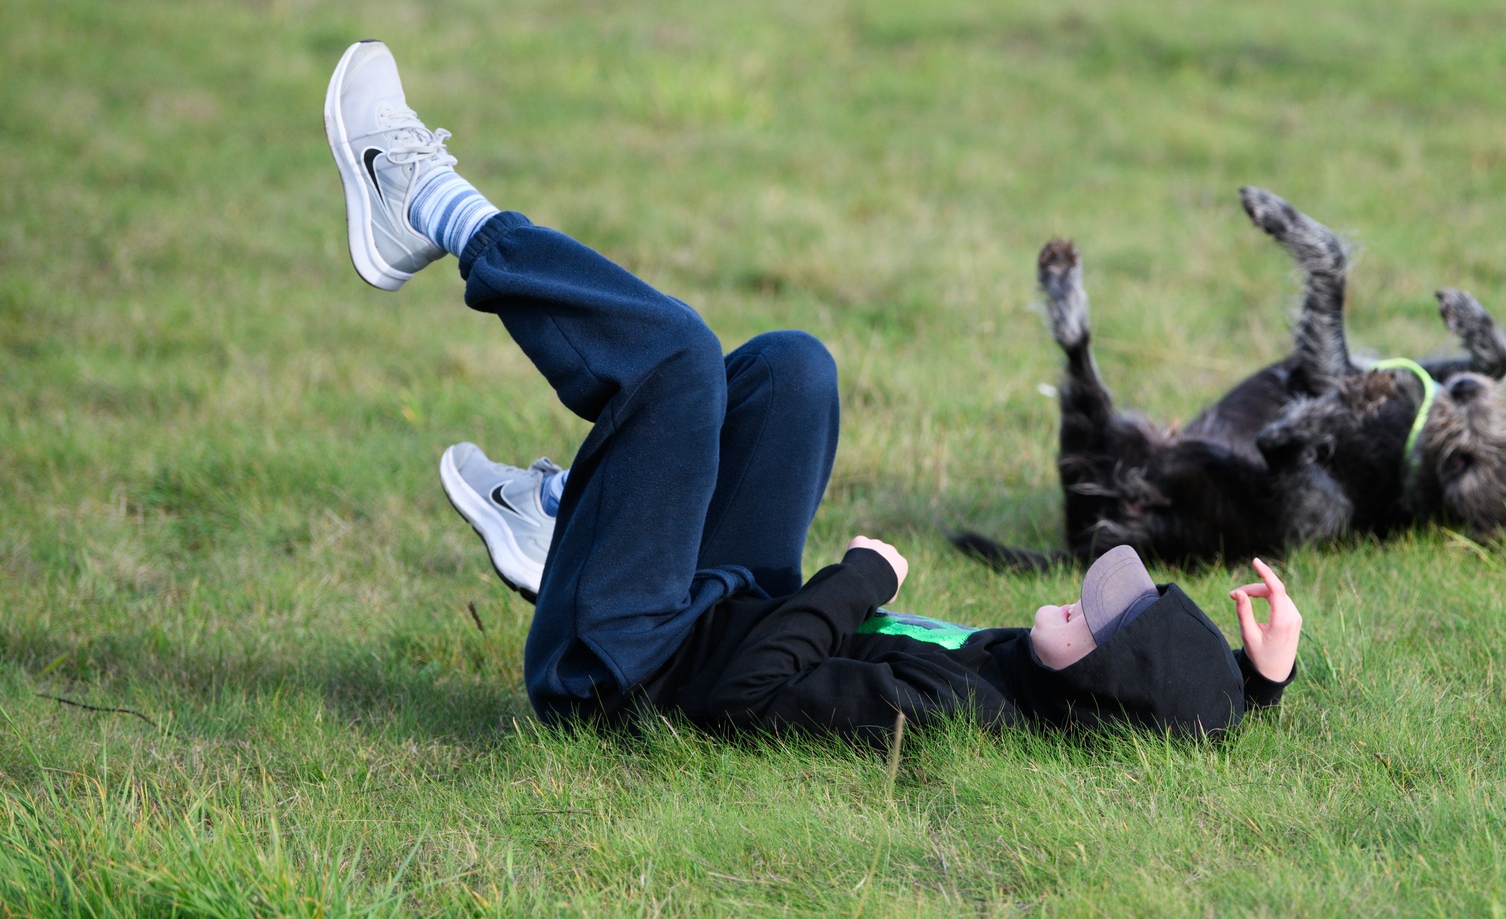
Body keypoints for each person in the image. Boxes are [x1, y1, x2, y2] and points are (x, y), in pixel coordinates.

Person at [325, 41, 1301, 737]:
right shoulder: (1038, 677)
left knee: (675, 360)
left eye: (1096, 622)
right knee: (794, 368)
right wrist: (1258, 680)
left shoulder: (959, 707)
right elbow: (1174, 718)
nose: (1079, 601)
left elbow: (739, 698)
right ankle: (575, 519)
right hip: (717, 606)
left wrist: (859, 580)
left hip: (624, 668)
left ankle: (427, 204)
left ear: (1099, 688)